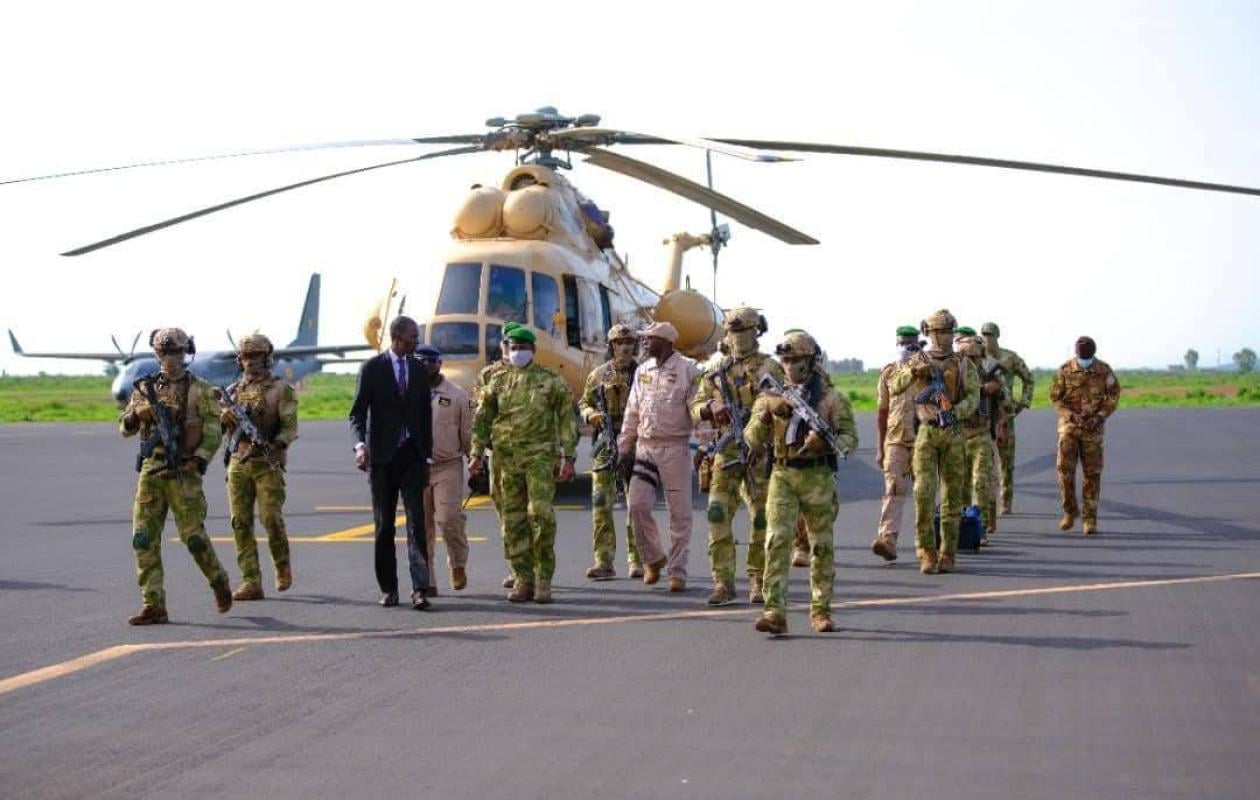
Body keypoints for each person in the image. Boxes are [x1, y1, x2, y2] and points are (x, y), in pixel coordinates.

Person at [119, 327, 232, 624]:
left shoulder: (201, 389)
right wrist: (137, 415)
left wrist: (198, 461)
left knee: (193, 538)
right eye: (163, 353)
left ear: (186, 354)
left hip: (184, 471)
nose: (169, 359)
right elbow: (125, 428)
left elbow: (212, 431)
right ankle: (153, 604)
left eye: (176, 353)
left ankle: (218, 580)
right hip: (151, 472)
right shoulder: (144, 388)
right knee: (143, 538)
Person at [748, 330, 857, 635]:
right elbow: (751, 440)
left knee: (820, 545)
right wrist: (766, 415)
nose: (789, 365)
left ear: (810, 361)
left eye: (796, 359)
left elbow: (849, 441)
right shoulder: (770, 396)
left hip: (817, 475)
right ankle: (774, 611)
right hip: (782, 473)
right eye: (785, 359)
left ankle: (821, 611)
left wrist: (825, 442)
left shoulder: (831, 398)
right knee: (777, 540)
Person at [470, 326, 577, 603]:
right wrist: (476, 454)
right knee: (513, 520)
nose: (517, 352)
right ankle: (523, 578)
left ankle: (543, 577)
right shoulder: (497, 381)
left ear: (533, 350)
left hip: (539, 458)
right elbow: (482, 420)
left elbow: (566, 421)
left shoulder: (551, 380)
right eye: (513, 346)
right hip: (506, 460)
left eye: (522, 347)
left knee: (540, 515)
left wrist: (569, 456)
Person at [692, 307, 783, 606]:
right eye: (732, 331)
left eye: (744, 330)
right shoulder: (716, 370)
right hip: (726, 449)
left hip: (759, 451)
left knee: (760, 518)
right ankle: (723, 582)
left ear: (757, 331)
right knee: (717, 512)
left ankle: (758, 579)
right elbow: (696, 405)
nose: (738, 337)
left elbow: (783, 404)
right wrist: (709, 409)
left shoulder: (769, 367)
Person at [349, 316, 434, 610]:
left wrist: (427, 455)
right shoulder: (372, 369)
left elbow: (425, 417)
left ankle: (420, 588)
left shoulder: (419, 370)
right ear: (397, 337)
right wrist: (360, 446)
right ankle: (389, 588)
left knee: (416, 524)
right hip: (382, 459)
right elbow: (357, 413)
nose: (417, 341)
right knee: (384, 525)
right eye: (413, 337)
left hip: (412, 456)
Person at [888, 309, 979, 574]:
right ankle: (926, 552)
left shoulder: (963, 363)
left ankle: (948, 552)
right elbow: (894, 387)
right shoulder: (917, 359)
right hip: (926, 431)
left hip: (953, 432)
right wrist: (914, 371)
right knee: (923, 493)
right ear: (928, 333)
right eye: (937, 332)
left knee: (952, 496)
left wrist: (955, 412)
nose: (943, 337)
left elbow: (973, 396)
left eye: (948, 332)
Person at [619, 321, 701, 592]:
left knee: (679, 514)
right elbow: (632, 411)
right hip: (645, 447)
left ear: (665, 341)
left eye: (648, 339)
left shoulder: (688, 371)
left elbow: (699, 414)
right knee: (637, 505)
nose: (643, 343)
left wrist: (704, 447)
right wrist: (624, 446)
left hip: (674, 449)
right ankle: (653, 558)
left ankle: (677, 571)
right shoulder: (643, 370)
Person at [219, 333, 299, 601]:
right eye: (245, 357)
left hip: (268, 463)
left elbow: (290, 427)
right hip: (238, 463)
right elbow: (214, 430)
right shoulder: (231, 392)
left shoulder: (281, 390)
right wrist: (223, 418)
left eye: (255, 356)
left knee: (271, 519)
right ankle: (251, 580)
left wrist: (275, 445)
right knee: (240, 522)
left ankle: (282, 567)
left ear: (267, 358)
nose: (250, 362)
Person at [579, 324, 642, 580]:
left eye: (629, 342)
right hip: (605, 441)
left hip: (637, 442)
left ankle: (637, 559)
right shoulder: (598, 375)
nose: (624, 347)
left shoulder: (643, 374)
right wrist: (589, 414)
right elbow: (584, 401)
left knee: (636, 503)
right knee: (600, 501)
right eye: (619, 343)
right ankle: (603, 560)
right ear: (611, 346)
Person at [1049, 336, 1120, 535]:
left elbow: (1113, 396)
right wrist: (1071, 415)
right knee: (1065, 473)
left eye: (1087, 354)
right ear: (1076, 353)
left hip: (1093, 431)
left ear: (1093, 353)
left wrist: (1099, 416)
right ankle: (1070, 511)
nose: (1084, 358)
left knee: (1092, 475)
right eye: (1081, 354)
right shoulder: (1064, 370)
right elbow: (1055, 398)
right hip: (1069, 430)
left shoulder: (1104, 370)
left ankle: (1090, 520)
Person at [416, 345, 473, 592]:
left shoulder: (458, 395)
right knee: (420, 526)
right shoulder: (404, 393)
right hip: (415, 468)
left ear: (440, 364)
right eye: (420, 361)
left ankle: (458, 564)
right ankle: (426, 579)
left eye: (431, 361)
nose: (426, 366)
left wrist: (476, 462)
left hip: (447, 465)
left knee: (449, 519)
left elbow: (468, 433)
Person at [872, 325, 921, 561]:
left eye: (911, 344)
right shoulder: (889, 373)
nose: (906, 348)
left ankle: (926, 545)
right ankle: (887, 540)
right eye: (903, 344)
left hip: (924, 441)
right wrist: (880, 448)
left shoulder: (929, 371)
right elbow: (882, 412)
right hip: (895, 440)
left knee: (924, 493)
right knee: (893, 489)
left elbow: (944, 403)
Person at [475, 322, 518, 589]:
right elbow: (479, 413)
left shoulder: (538, 374)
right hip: (499, 453)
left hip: (530, 452)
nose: (509, 348)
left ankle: (534, 564)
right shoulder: (488, 375)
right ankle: (516, 565)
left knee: (533, 513)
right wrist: (477, 451)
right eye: (506, 343)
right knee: (506, 513)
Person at [956, 334, 1007, 542]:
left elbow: (1004, 401)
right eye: (968, 357)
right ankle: (963, 527)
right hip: (958, 437)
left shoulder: (990, 373)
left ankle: (982, 528)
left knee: (981, 483)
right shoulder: (954, 377)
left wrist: (1002, 426)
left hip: (982, 435)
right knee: (962, 486)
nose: (972, 361)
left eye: (976, 357)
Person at [981, 322, 1035, 514]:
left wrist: (1023, 402)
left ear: (997, 336)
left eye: (991, 335)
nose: (987, 339)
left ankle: (1006, 500)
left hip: (1005, 415)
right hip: (982, 415)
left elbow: (1028, 378)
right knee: (982, 461)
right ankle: (985, 502)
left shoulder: (1010, 357)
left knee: (1006, 461)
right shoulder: (976, 357)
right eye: (984, 335)